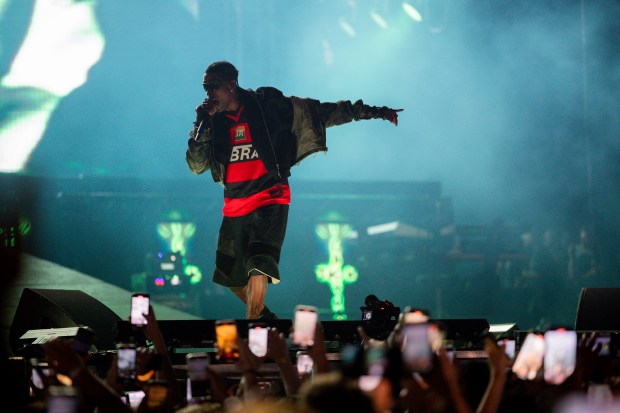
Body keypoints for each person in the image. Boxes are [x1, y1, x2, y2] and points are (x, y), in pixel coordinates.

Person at [185, 61, 402, 319]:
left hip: (269, 197)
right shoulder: (211, 121)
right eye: (204, 87)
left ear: (231, 85)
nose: (208, 93)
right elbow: (196, 166)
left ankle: (255, 336)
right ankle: (266, 319)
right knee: (230, 278)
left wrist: (374, 111)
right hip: (234, 204)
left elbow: (321, 111)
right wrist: (203, 125)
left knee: (258, 267)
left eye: (213, 86)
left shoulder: (267, 106)